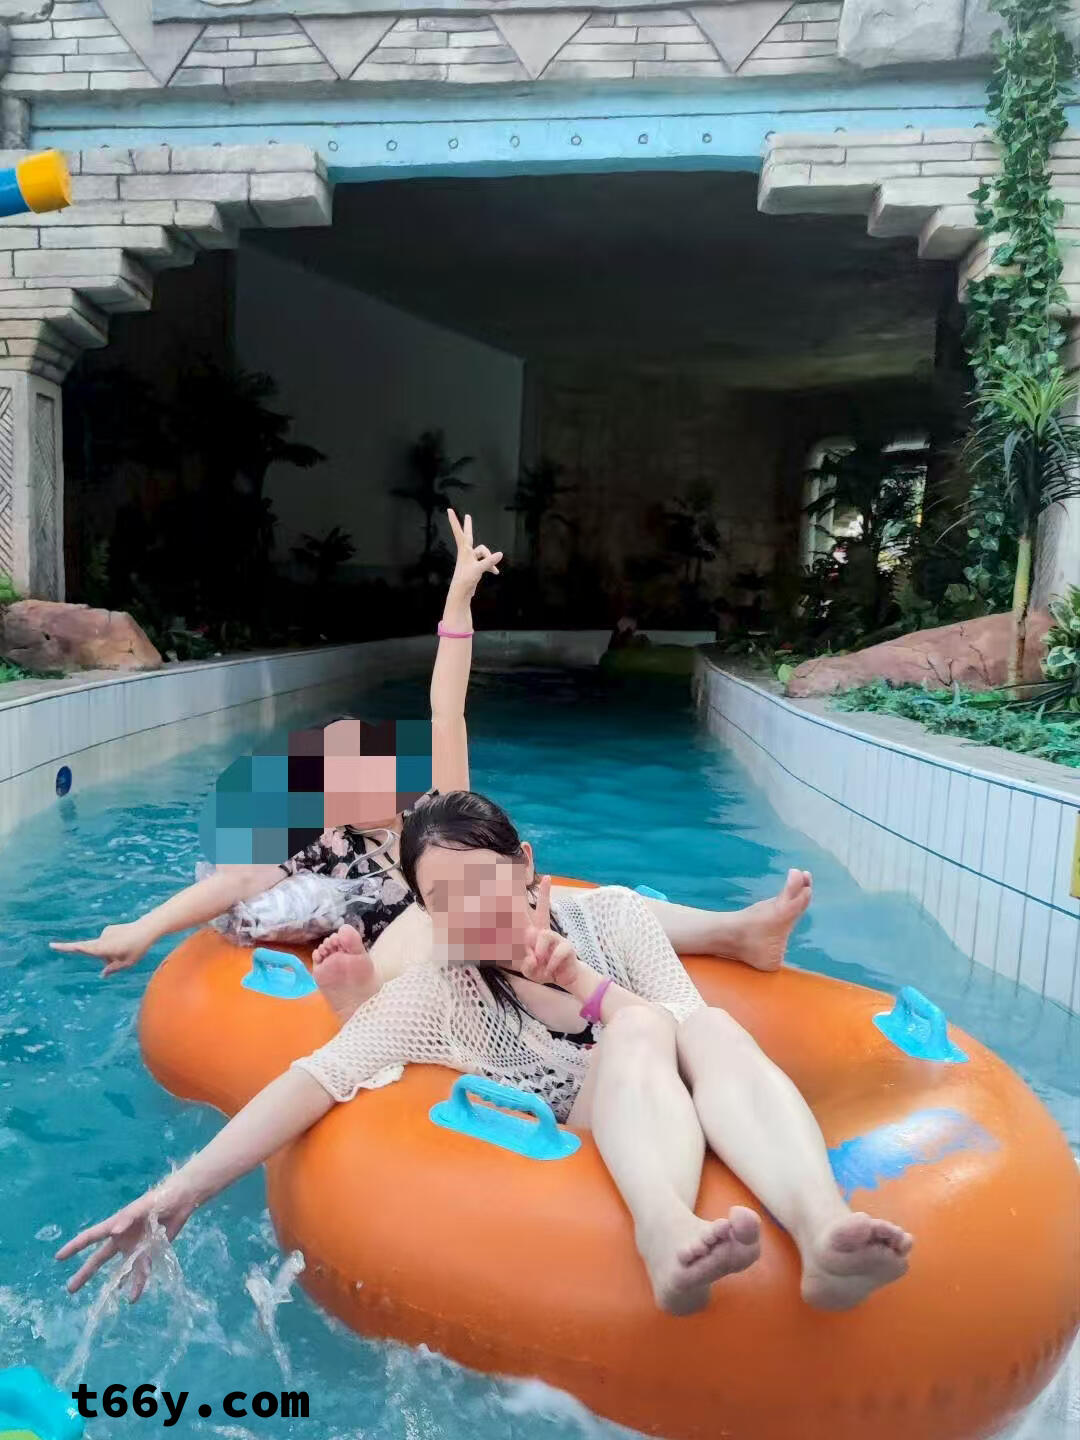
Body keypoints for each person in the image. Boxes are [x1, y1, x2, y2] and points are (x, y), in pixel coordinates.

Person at [56, 789, 910, 1317]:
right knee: (641, 1031)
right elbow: (316, 1078)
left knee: (705, 1025)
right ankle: (665, 1235)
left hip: (676, 1090)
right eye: (444, 900)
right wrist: (179, 1192)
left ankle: (822, 1231)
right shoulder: (442, 993)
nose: (471, 912)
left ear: (525, 865)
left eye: (484, 883)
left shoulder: (614, 919)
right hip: (594, 1133)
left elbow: (687, 1036)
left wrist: (580, 981)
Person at [50, 512, 814, 1017]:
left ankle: (738, 932)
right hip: (392, 937)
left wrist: (458, 600)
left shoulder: (433, 810)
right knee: (436, 934)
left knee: (587, 903)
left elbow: (447, 705)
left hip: (455, 914)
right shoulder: (318, 843)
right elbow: (234, 884)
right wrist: (141, 929)